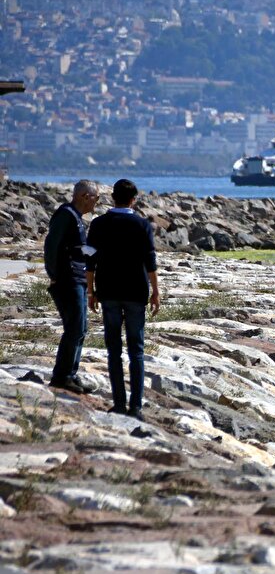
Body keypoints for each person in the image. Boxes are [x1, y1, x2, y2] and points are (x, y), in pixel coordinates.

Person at [85, 179, 160, 421]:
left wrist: (90, 290)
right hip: (136, 292)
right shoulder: (141, 225)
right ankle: (136, 406)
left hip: (108, 291)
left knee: (113, 350)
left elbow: (89, 260)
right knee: (136, 351)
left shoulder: (98, 224)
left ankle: (118, 403)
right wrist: (156, 291)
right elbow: (150, 261)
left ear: (112, 197)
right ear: (133, 199)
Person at [43, 179, 100, 393]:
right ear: (85, 196)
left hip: (78, 278)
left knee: (81, 328)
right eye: (96, 198)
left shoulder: (76, 218)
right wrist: (54, 274)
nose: (97, 202)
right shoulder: (66, 214)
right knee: (74, 328)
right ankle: (62, 376)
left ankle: (71, 374)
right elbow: (51, 244)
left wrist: (100, 255)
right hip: (67, 280)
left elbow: (78, 249)